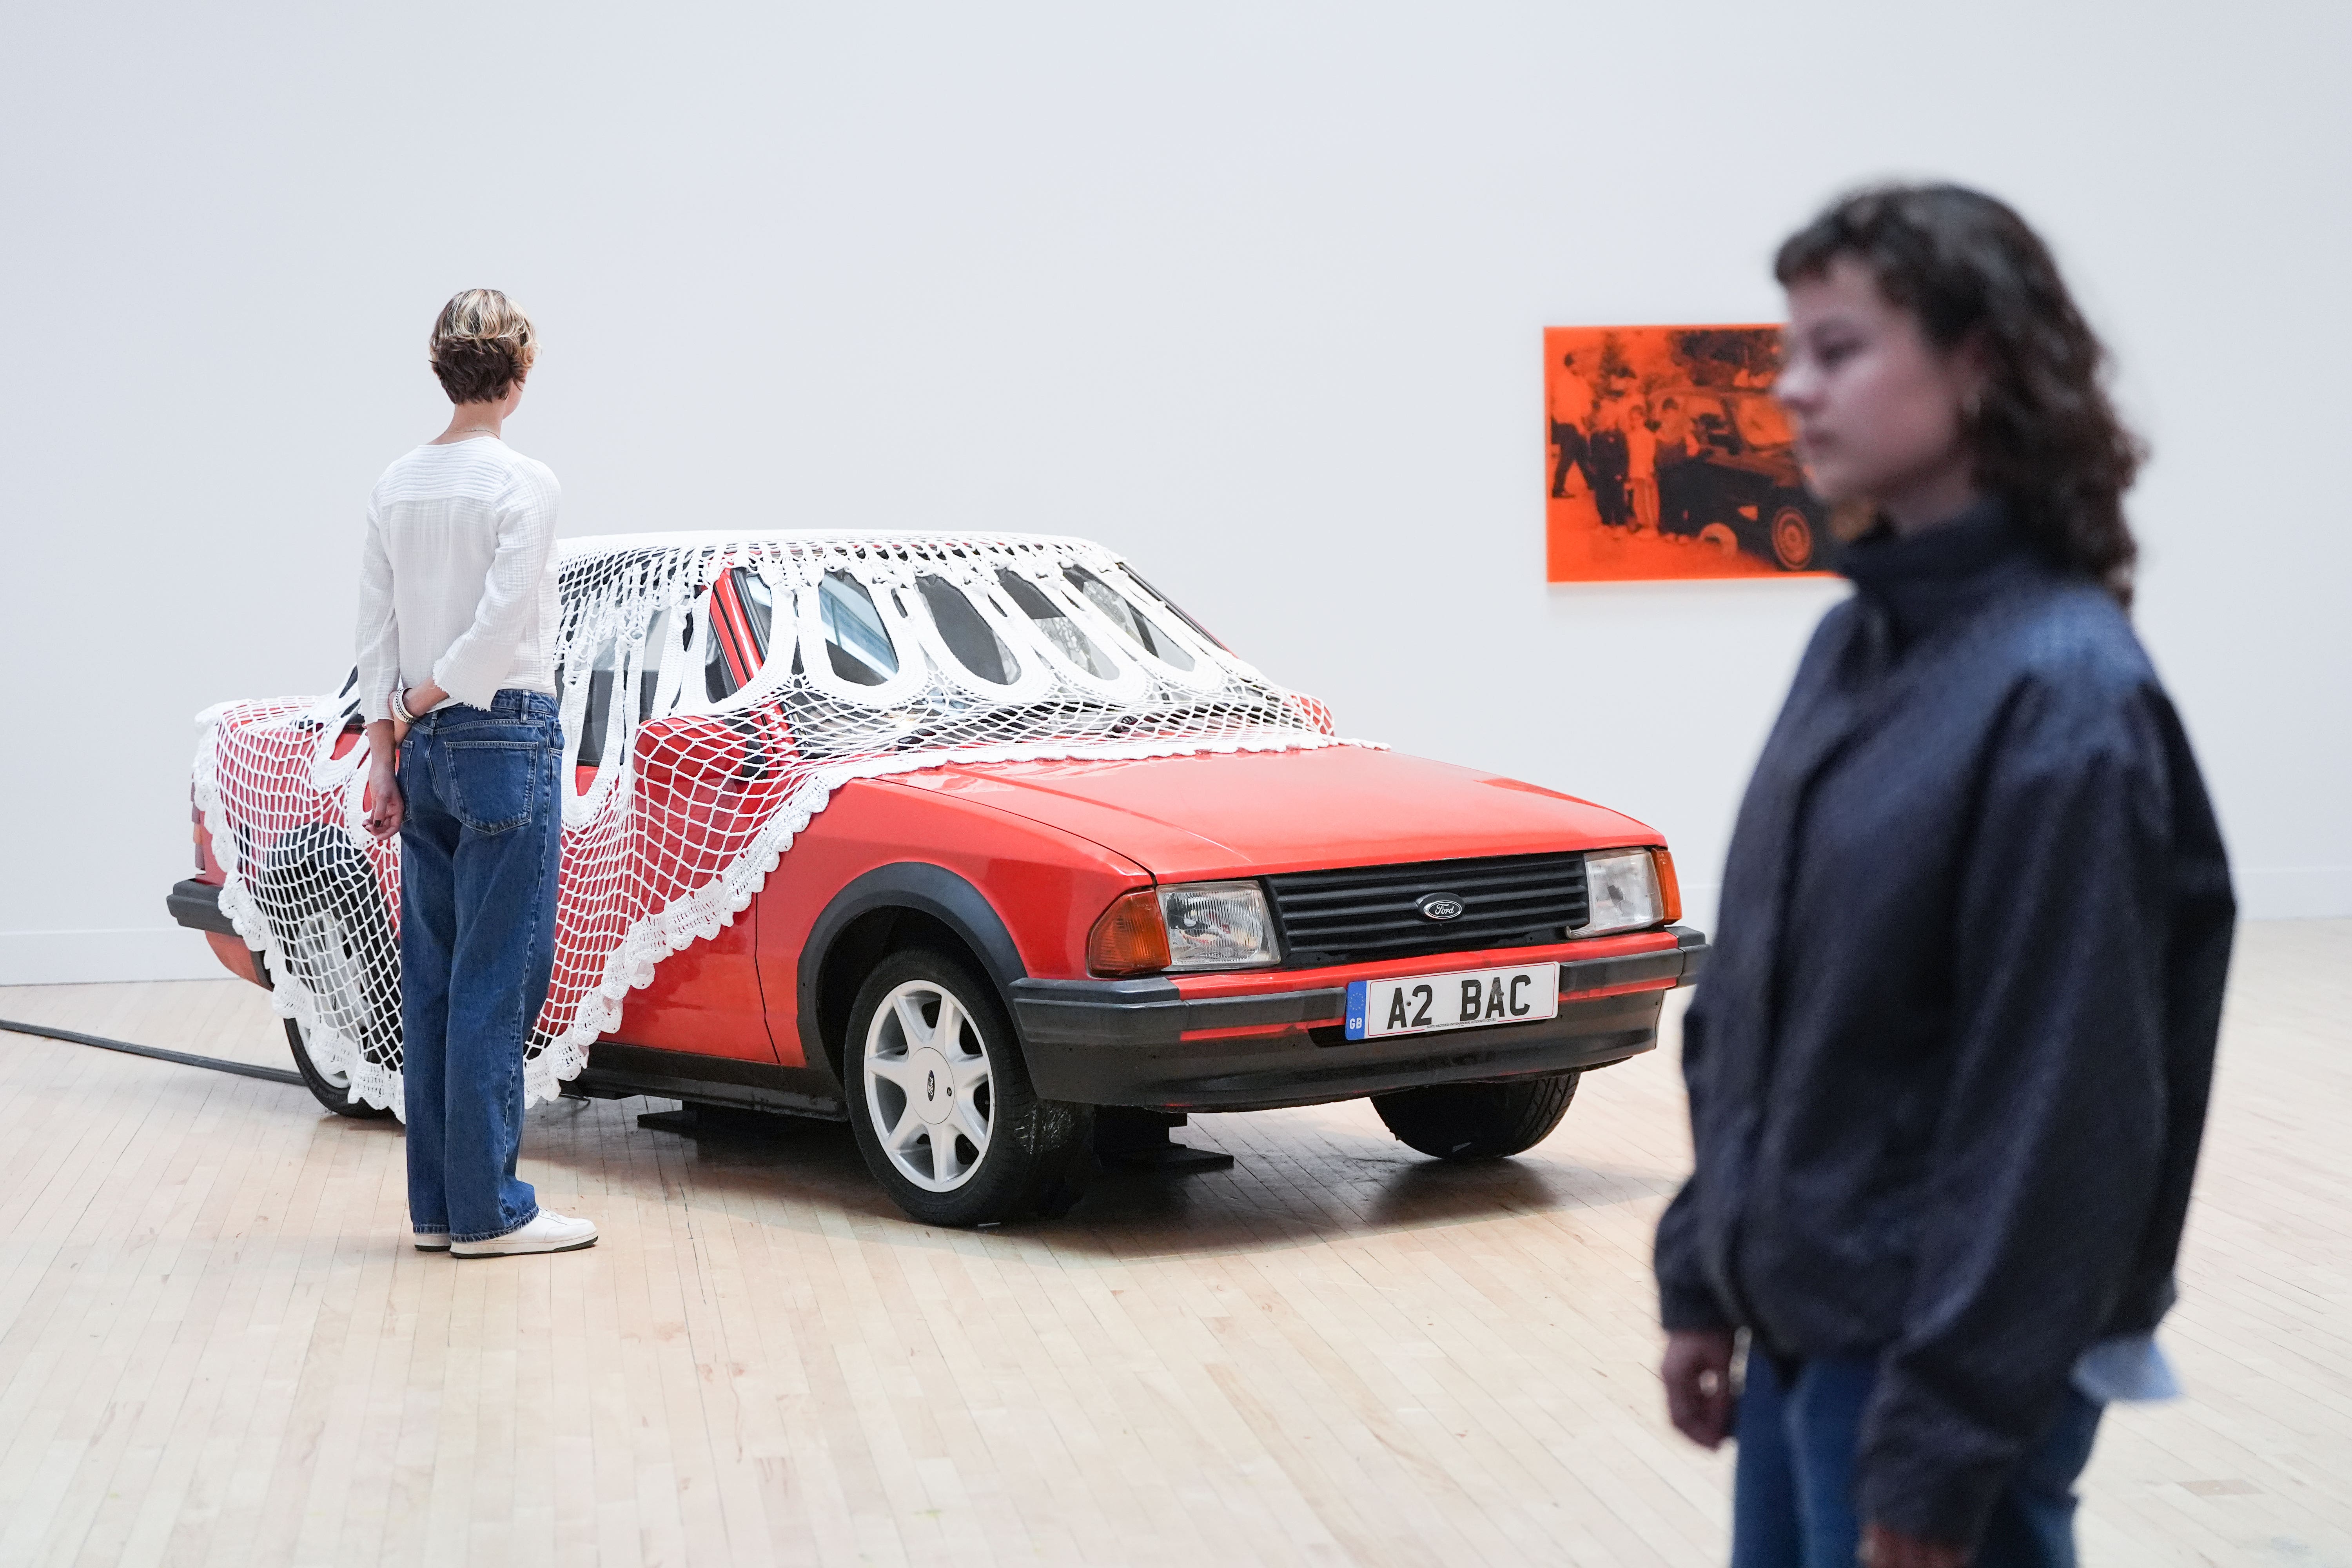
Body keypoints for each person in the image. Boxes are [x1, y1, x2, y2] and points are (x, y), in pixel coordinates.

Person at [1653, 185, 2234, 1568]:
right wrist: (1703, 1269)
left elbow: (2060, 1123)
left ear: (1980, 363)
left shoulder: (2064, 695)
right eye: (1787, 349)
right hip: (1806, 1333)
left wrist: (1940, 1453)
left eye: (1837, 349)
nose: (1788, 390)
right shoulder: (1855, 650)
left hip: (1929, 1371)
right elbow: (1754, 997)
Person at [355, 289, 597, 1258]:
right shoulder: (525, 483)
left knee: (438, 980)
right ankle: (491, 1211)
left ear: (440, 369)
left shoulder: (396, 485)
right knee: (498, 978)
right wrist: (425, 704)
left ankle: (439, 1210)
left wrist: (387, 742)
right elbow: (501, 626)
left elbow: (374, 628)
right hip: (499, 732)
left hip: (422, 749)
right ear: (522, 372)